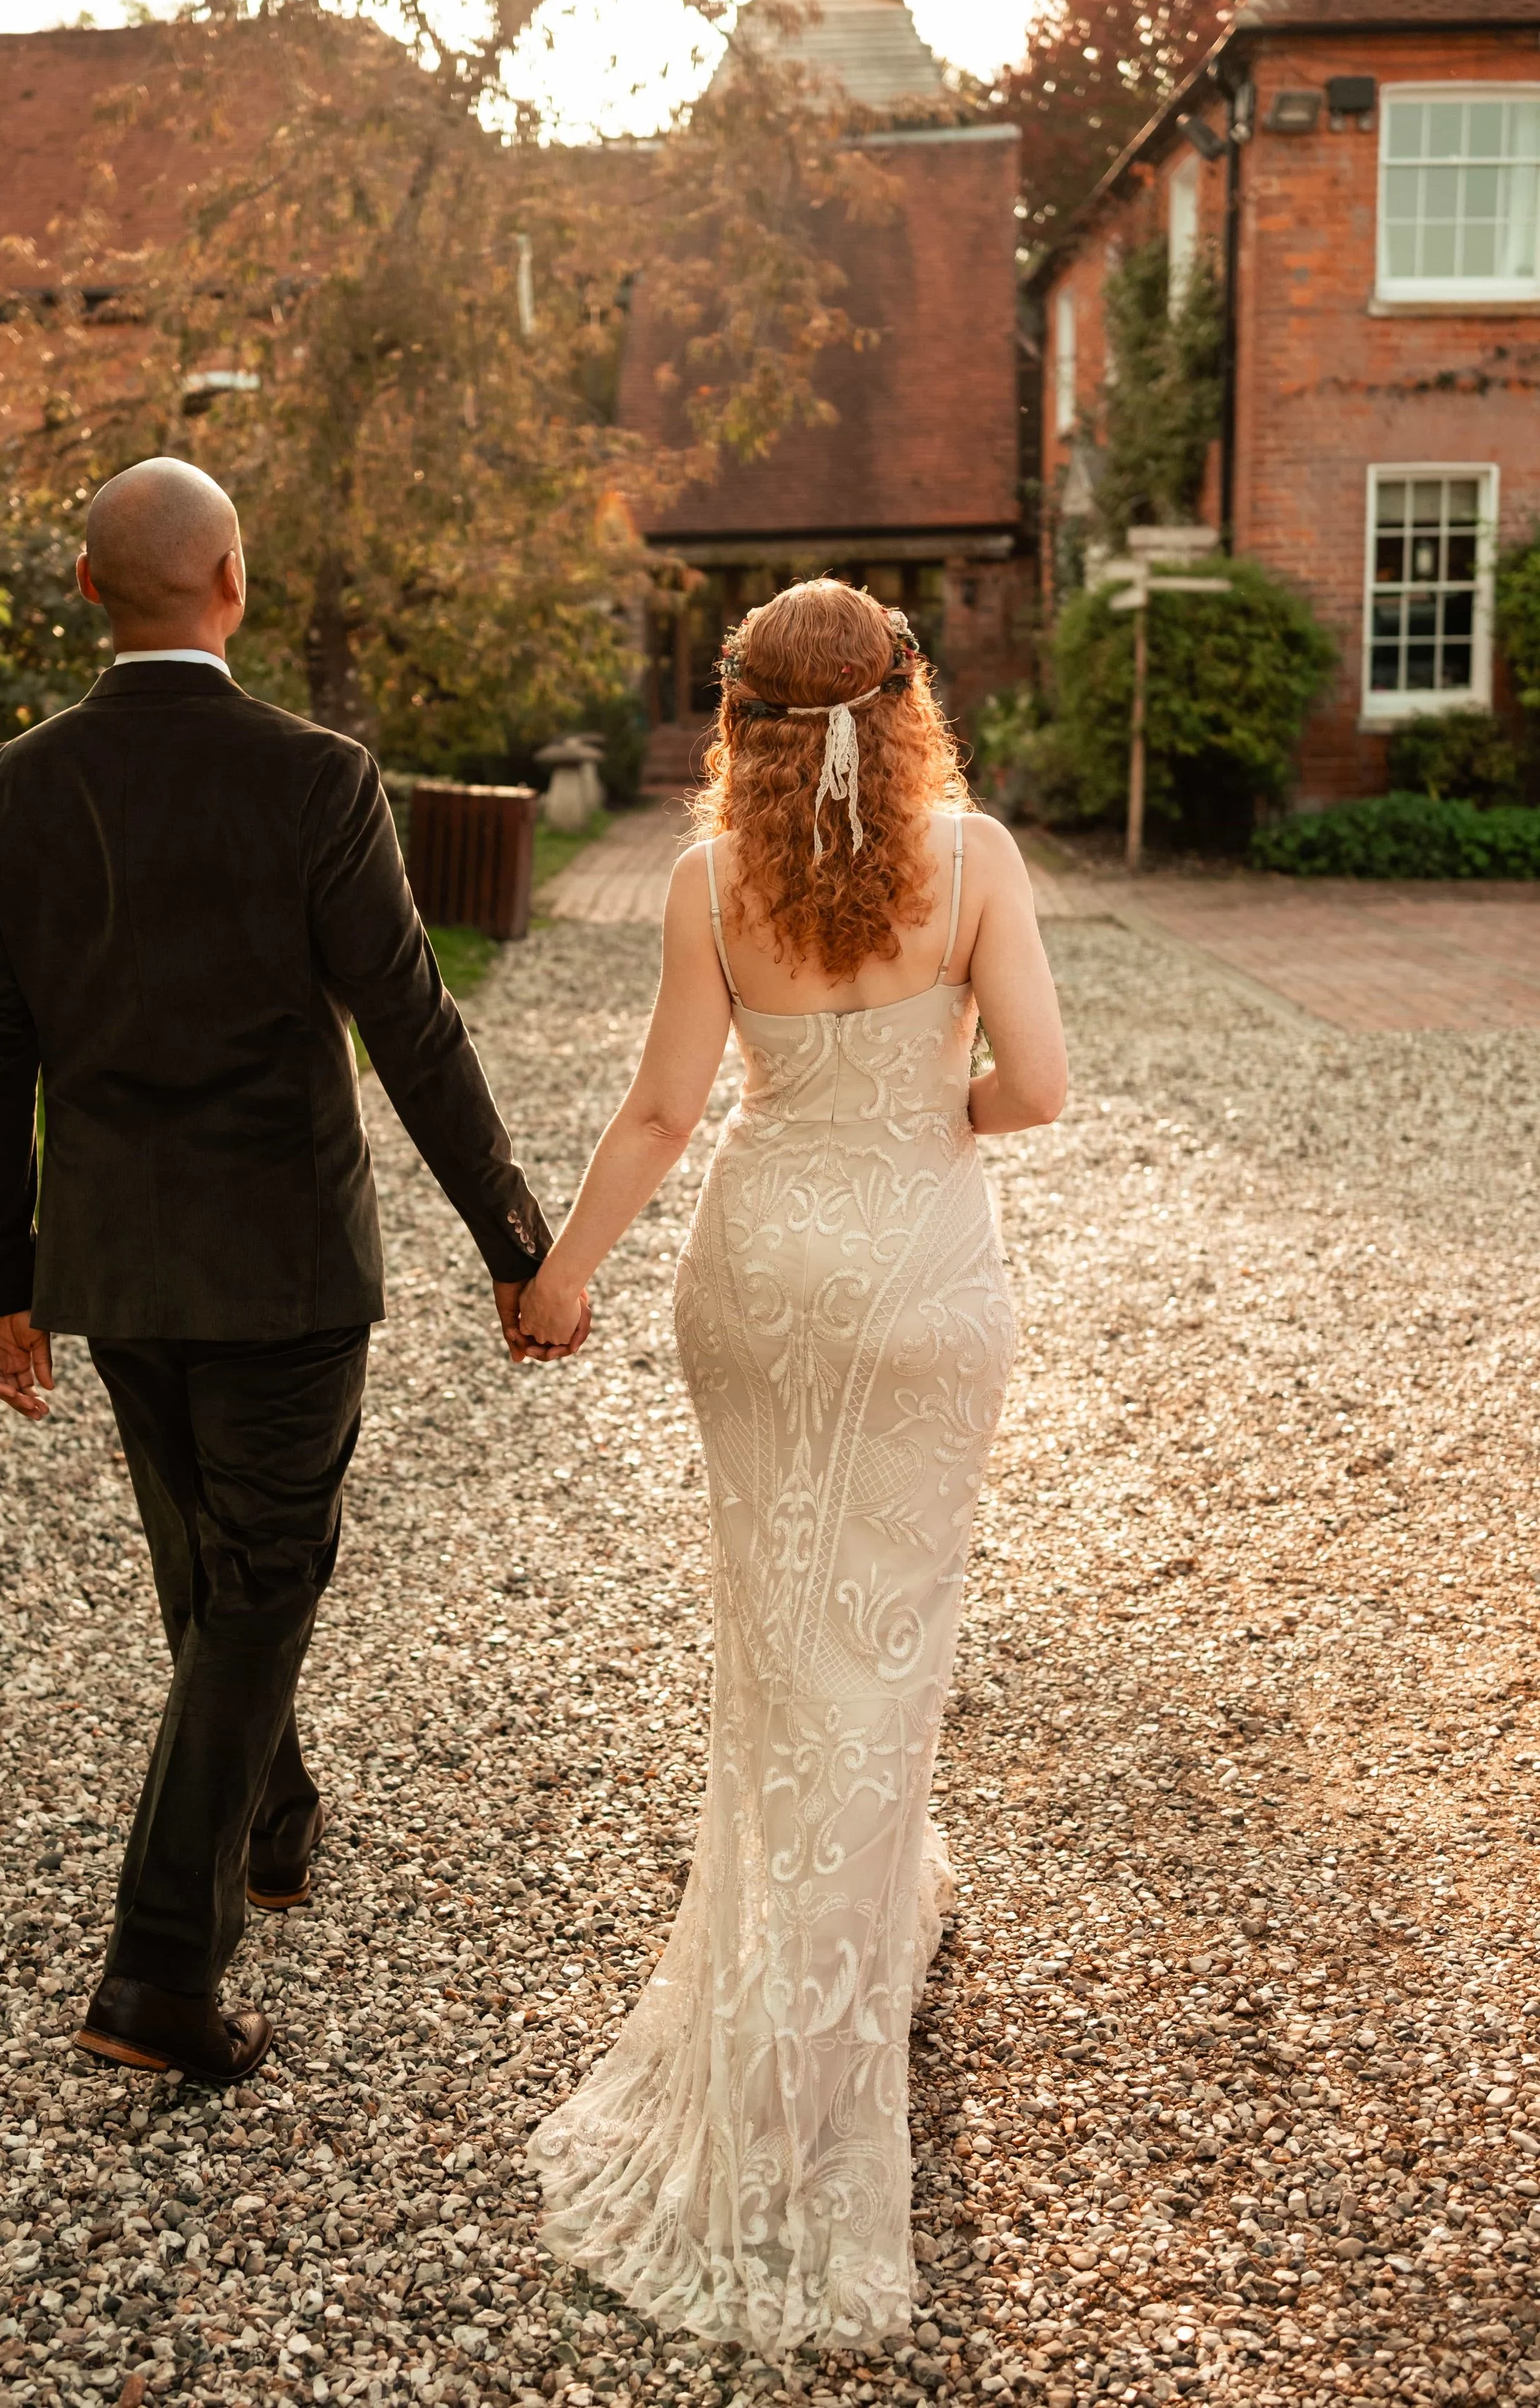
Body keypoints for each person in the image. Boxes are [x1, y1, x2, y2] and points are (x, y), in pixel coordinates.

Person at [0, 456, 581, 2089]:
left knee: (207, 1575)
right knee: (258, 1582)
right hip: (286, 1269)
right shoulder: (314, 778)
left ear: (89, 592)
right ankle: (158, 1970)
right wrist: (518, 1245)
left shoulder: (11, 788)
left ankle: (271, 1820)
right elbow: (412, 1025)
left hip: (115, 1266)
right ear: (233, 581)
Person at [519, 581, 1066, 2359]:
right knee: (886, 1645)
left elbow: (667, 1112)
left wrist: (564, 1271)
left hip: (754, 1280)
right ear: (905, 707)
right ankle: (841, 1992)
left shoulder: (702, 883)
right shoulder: (972, 858)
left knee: (777, 1654)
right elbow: (1039, 1090)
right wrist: (928, 1124)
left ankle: (828, 1961)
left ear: (735, 722)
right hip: (919, 1278)